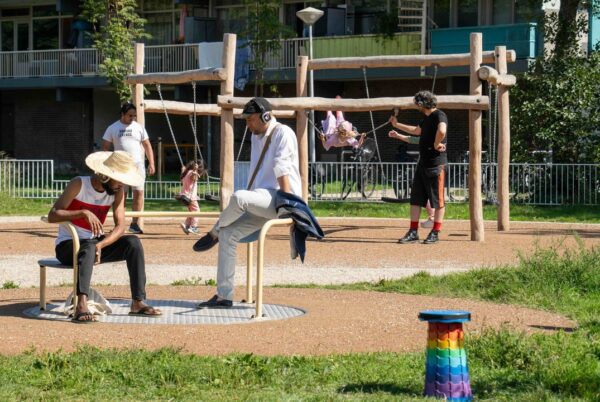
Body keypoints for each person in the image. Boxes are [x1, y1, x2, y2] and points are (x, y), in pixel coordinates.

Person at [192, 97, 302, 308]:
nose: (248, 124)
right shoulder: (256, 136)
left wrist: (288, 204)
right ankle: (224, 296)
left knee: (239, 197)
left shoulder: (283, 133)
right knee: (228, 234)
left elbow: (283, 168)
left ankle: (214, 232)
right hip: (262, 199)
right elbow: (257, 173)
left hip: (281, 197)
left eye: (251, 119)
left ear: (266, 116)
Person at [47, 151, 161, 323]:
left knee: (133, 242)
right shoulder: (79, 184)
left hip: (94, 245)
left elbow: (120, 226)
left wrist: (102, 245)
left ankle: (138, 302)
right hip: (68, 246)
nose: (121, 184)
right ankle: (81, 305)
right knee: (89, 246)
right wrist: (82, 213)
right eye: (119, 179)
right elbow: (53, 215)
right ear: (105, 176)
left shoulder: (117, 192)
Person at [388, 90, 448, 244]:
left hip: (436, 165)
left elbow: (442, 130)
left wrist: (436, 143)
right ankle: (413, 232)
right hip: (422, 165)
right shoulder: (426, 118)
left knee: (438, 201)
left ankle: (435, 232)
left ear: (422, 104)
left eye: (417, 104)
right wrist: (396, 125)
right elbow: (416, 132)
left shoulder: (439, 115)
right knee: (416, 200)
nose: (416, 106)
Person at [102, 103, 155, 234]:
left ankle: (135, 224)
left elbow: (147, 145)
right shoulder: (112, 127)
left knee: (139, 193)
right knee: (121, 195)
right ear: (122, 114)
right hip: (120, 166)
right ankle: (119, 225)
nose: (132, 118)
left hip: (137, 166)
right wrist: (107, 165)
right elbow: (105, 147)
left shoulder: (139, 127)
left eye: (134, 116)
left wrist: (152, 163)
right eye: (130, 115)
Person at [177, 160, 205, 235]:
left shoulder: (186, 172)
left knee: (192, 212)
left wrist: (183, 171)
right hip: (190, 197)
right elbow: (193, 178)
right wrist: (195, 171)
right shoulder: (192, 173)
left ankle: (186, 225)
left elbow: (182, 181)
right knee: (197, 211)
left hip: (184, 196)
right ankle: (193, 227)